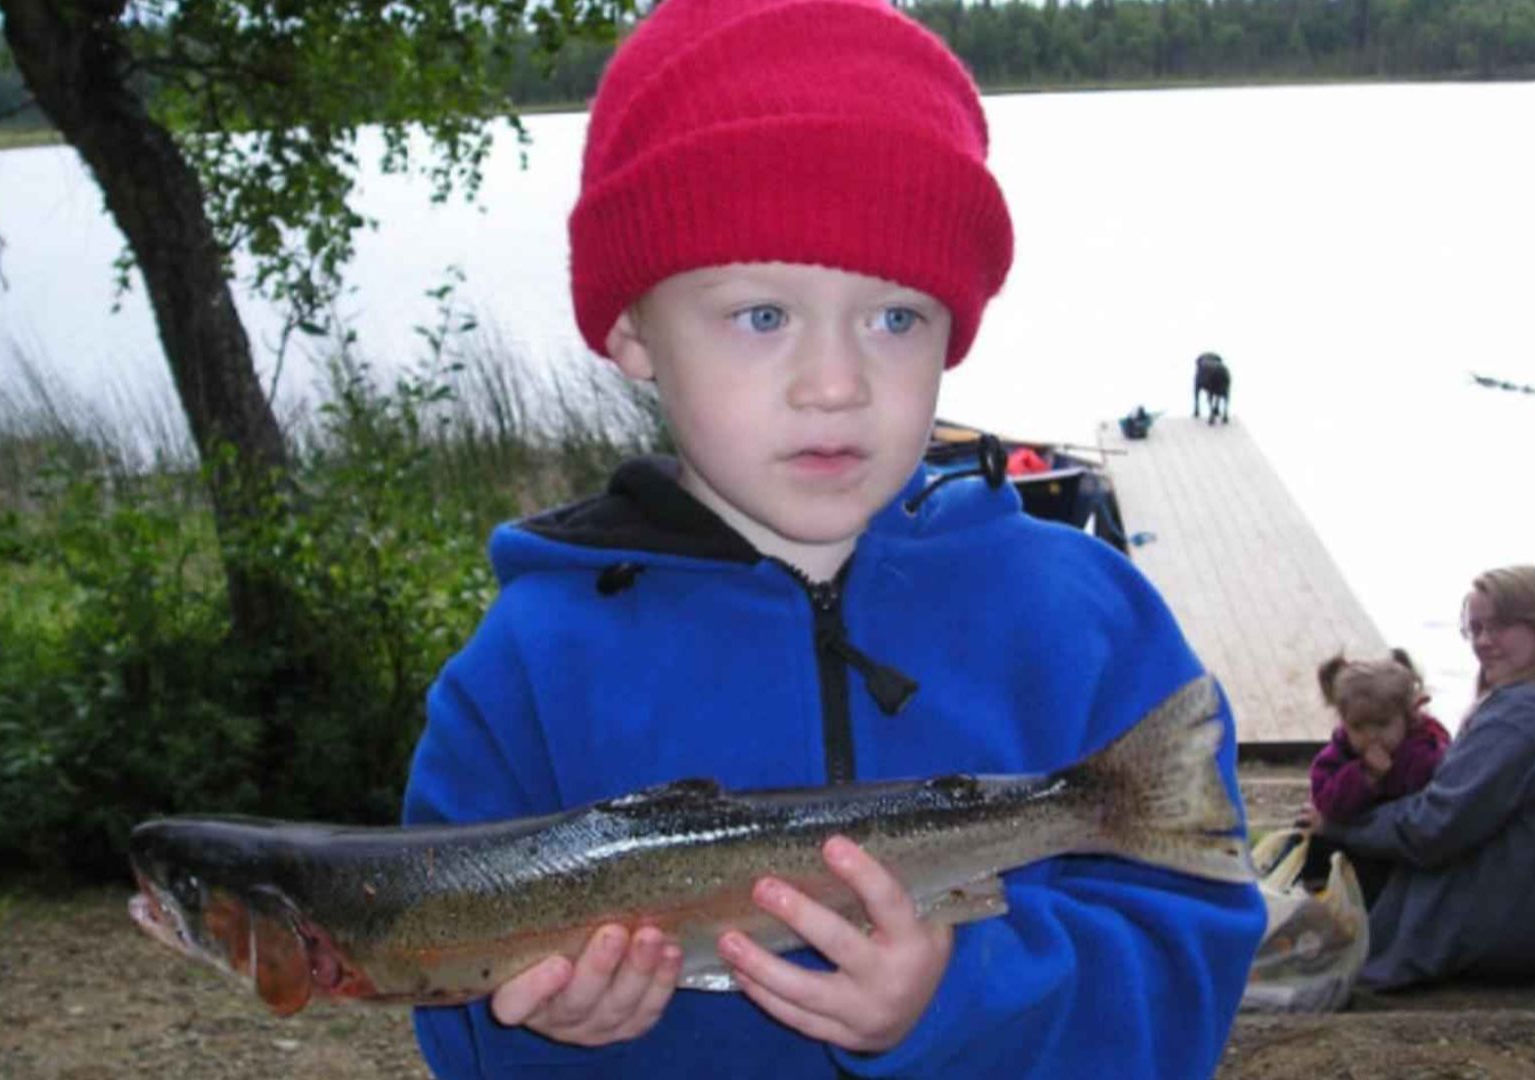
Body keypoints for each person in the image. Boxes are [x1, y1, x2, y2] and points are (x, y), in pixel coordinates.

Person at [400, 0, 1267, 1075]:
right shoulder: (526, 674)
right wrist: (545, 1025)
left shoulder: (1086, 622)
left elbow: (1189, 974)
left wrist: (966, 999)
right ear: (631, 328)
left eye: (896, 318)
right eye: (762, 316)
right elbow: (447, 1003)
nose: (835, 382)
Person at [1314, 565, 1535, 990]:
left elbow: (1432, 828)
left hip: (1527, 934)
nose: (1484, 641)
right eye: (1476, 629)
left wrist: (1338, 827)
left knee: (1334, 856)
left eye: (1500, 626)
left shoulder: (1519, 717)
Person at [1299, 649, 1451, 902]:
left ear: (1408, 717)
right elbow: (1326, 802)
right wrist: (1364, 776)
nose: (1371, 736)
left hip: (1396, 853)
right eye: (1358, 727)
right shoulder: (1341, 752)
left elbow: (1430, 807)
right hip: (1351, 847)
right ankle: (1315, 892)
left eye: (1382, 724)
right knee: (1311, 833)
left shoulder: (1423, 751)